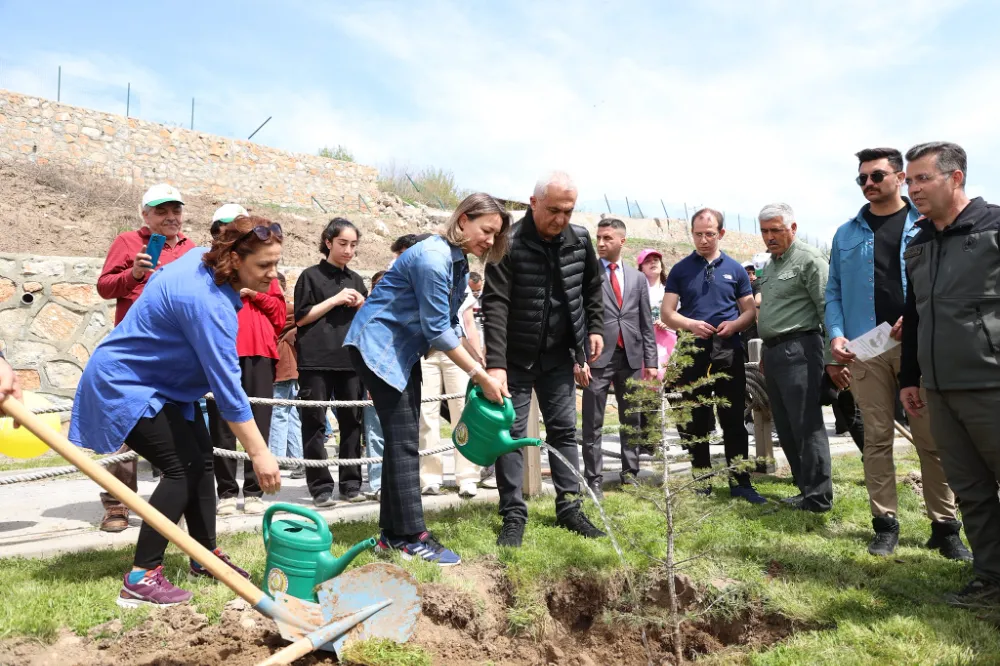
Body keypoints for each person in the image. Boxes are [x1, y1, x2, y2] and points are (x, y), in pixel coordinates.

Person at [68, 215, 282, 607]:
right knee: (180, 469)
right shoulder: (207, 305)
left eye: (276, 263)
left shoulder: (204, 256)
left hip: (160, 385)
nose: (274, 274)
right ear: (234, 259)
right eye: (264, 265)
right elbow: (228, 391)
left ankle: (204, 557)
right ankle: (141, 577)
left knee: (200, 461)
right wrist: (259, 452)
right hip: (126, 384)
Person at [345, 192, 512, 566]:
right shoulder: (434, 259)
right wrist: (480, 376)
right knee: (405, 442)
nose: (488, 240)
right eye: (486, 230)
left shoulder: (455, 260)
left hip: (399, 351)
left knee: (401, 441)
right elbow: (437, 331)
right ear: (464, 219)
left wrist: (479, 360)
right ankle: (413, 536)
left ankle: (392, 534)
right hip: (378, 348)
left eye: (495, 236)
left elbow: (452, 321)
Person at [826, 147, 968, 559]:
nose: (869, 184)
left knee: (931, 440)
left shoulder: (925, 225)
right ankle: (884, 524)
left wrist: (917, 315)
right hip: (865, 349)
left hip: (918, 348)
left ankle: (945, 528)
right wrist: (835, 336)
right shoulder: (846, 234)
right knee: (876, 438)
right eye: (862, 179)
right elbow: (833, 290)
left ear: (900, 177)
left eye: (877, 176)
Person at [482, 171, 607, 548]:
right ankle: (513, 515)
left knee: (565, 431)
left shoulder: (580, 239)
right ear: (533, 203)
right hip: (515, 358)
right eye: (553, 210)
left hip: (558, 356)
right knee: (513, 437)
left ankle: (570, 508)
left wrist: (595, 329)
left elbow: (591, 289)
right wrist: (497, 363)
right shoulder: (509, 241)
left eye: (568, 211)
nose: (560, 219)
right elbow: (496, 302)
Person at [900, 141, 1000, 606]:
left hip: (991, 383)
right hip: (939, 389)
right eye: (910, 179)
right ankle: (990, 579)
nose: (912, 187)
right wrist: (910, 377)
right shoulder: (918, 243)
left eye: (923, 178)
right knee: (971, 491)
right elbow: (916, 314)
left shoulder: (995, 226)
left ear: (955, 177)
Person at [94, 183, 196, 533]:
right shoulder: (126, 241)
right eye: (162, 211)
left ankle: (175, 501)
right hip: (133, 355)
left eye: (176, 210)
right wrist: (134, 273)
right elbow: (105, 287)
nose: (171, 217)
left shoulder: (191, 249)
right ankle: (117, 505)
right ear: (145, 214)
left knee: (177, 427)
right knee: (126, 427)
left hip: (175, 355)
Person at [661, 209, 766, 504]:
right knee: (695, 418)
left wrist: (734, 325)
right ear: (691, 233)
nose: (703, 240)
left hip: (728, 350)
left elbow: (748, 311)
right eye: (698, 234)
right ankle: (702, 480)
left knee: (733, 418)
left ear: (721, 234)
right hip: (692, 351)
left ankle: (740, 482)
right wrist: (690, 324)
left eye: (709, 234)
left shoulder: (735, 268)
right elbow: (667, 313)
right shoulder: (681, 269)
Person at [756, 203, 833, 512]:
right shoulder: (771, 264)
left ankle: (818, 497)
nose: (770, 236)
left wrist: (832, 359)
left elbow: (828, 308)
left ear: (793, 228)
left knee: (806, 425)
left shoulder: (810, 259)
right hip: (774, 353)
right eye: (764, 231)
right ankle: (804, 488)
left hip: (801, 348)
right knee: (785, 426)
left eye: (776, 229)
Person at [208, 224, 285, 516]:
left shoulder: (264, 274)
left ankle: (254, 490)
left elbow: (280, 316)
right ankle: (226, 491)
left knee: (259, 421)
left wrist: (255, 294)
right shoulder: (217, 273)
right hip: (225, 351)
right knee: (222, 425)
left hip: (260, 351)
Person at [581, 218, 658, 499]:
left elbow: (645, 321)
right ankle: (594, 479)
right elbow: (579, 319)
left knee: (632, 418)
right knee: (592, 421)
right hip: (597, 357)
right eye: (598, 238)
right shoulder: (587, 275)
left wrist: (651, 361)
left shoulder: (637, 278)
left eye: (607, 238)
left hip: (632, 357)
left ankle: (630, 474)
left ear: (622, 241)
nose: (601, 243)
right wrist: (580, 358)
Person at [295, 219, 368, 505]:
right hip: (315, 360)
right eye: (343, 244)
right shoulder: (309, 276)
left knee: (352, 423)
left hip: (350, 360)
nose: (348, 250)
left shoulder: (356, 279)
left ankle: (351, 484)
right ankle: (320, 486)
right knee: (314, 424)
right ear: (328, 242)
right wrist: (336, 299)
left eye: (353, 245)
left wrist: (363, 303)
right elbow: (301, 317)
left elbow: (368, 320)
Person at [269, 273, 305, 478]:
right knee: (289, 413)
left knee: (280, 412)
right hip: (290, 367)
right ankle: (297, 459)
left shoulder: (284, 309)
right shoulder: (290, 310)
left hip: (282, 367)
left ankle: (276, 459)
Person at [361, 270, 389, 502]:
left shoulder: (402, 307)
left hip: (399, 378)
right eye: (378, 284)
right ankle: (378, 483)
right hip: (373, 377)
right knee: (375, 433)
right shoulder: (365, 313)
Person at [637, 248, 677, 375]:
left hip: (668, 343)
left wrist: (669, 322)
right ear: (641, 268)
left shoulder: (671, 291)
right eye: (647, 261)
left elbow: (680, 315)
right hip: (644, 345)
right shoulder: (634, 293)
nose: (653, 263)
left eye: (656, 260)